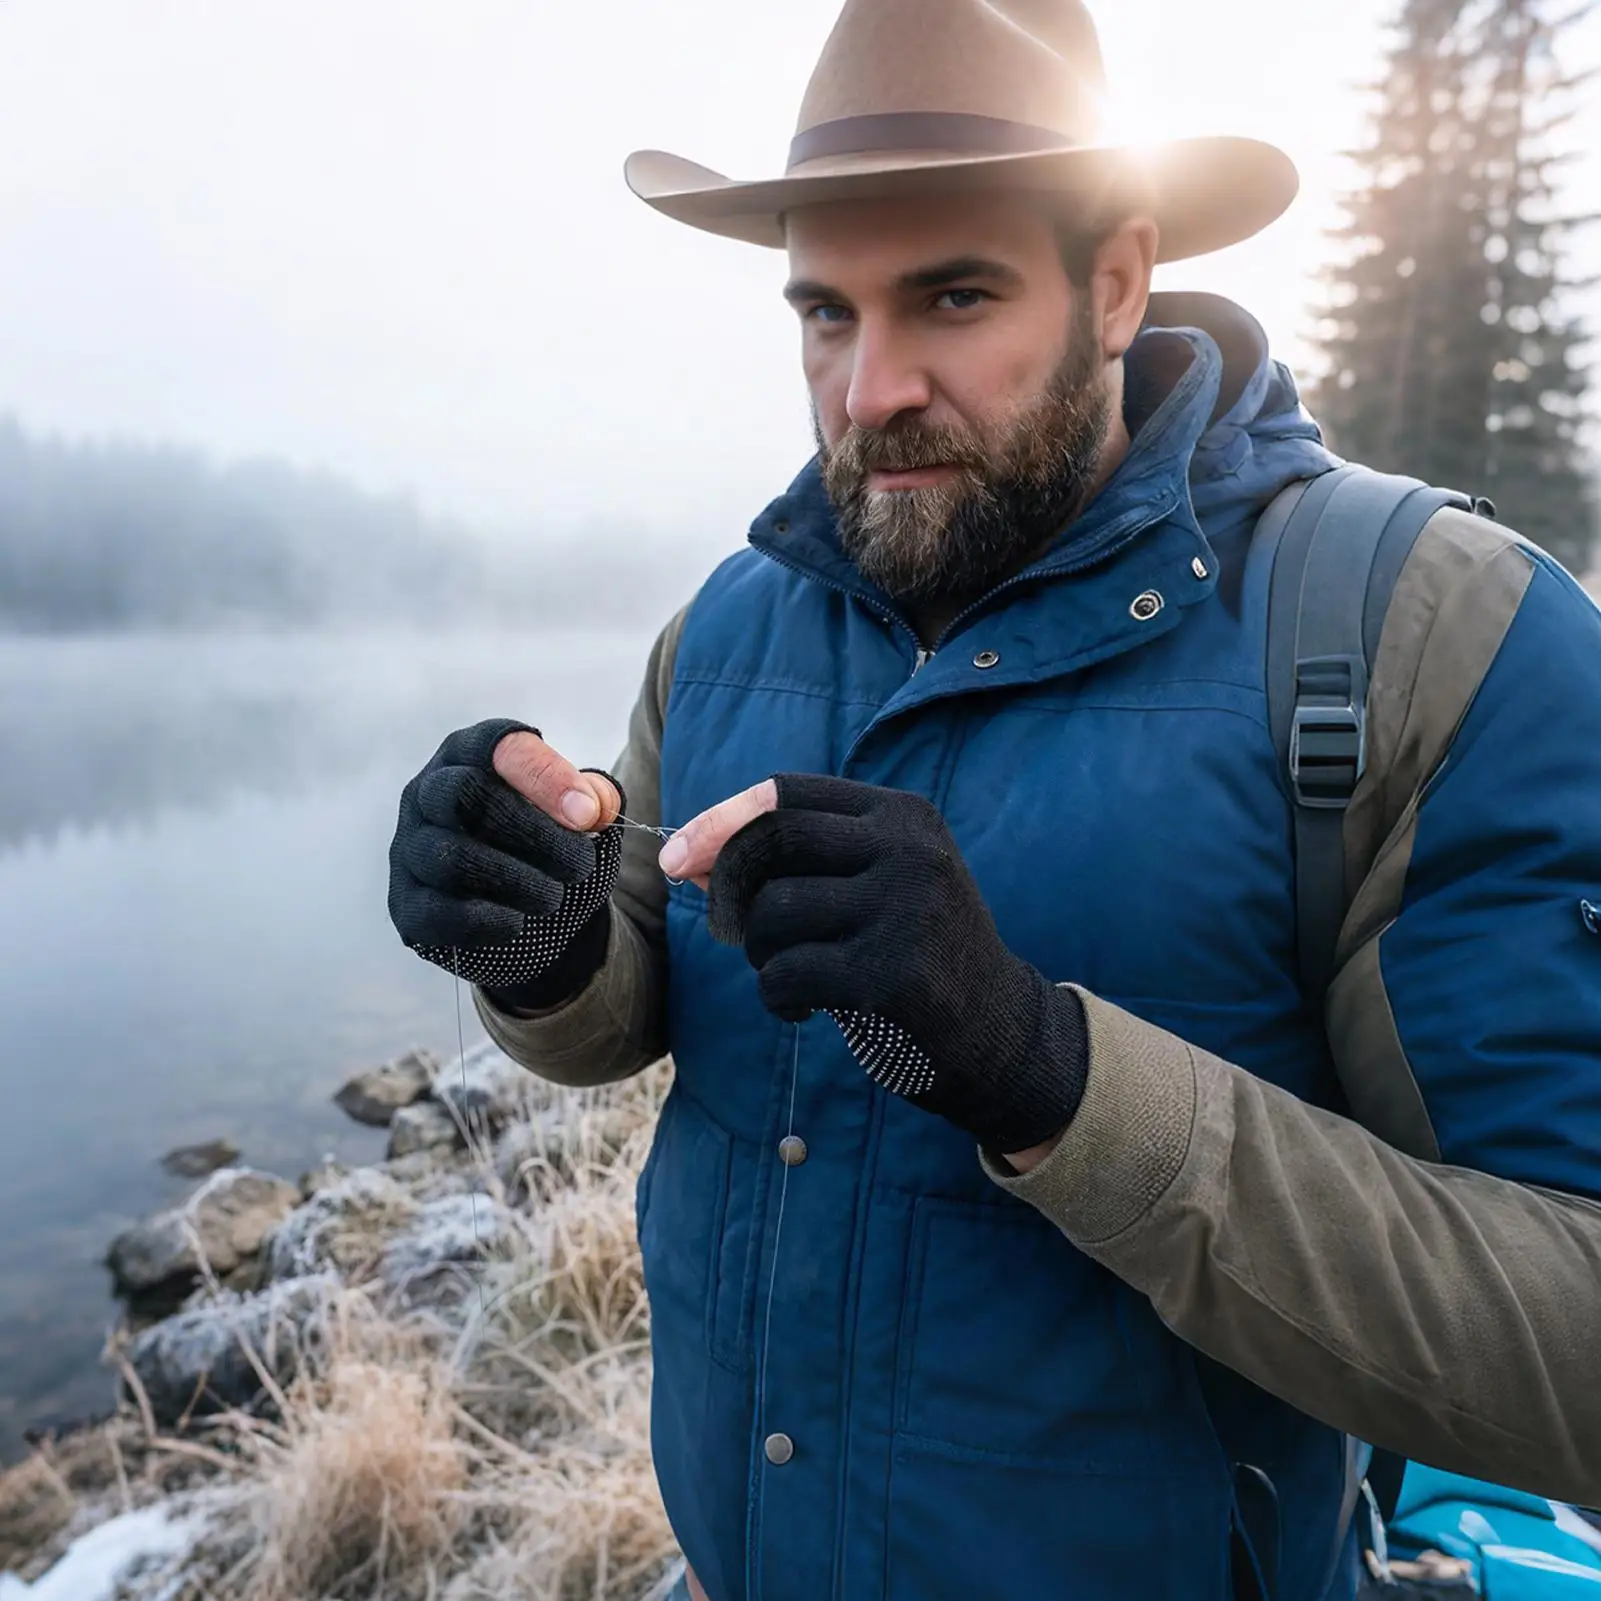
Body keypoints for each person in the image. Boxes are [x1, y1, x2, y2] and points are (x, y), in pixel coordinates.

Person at [386, 2, 1601, 1597]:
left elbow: (1573, 1346)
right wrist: (539, 946)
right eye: (825, 312)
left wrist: (1046, 1072)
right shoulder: (734, 623)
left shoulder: (1428, 635)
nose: (870, 387)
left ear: (1114, 281)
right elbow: (635, 997)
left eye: (951, 296)